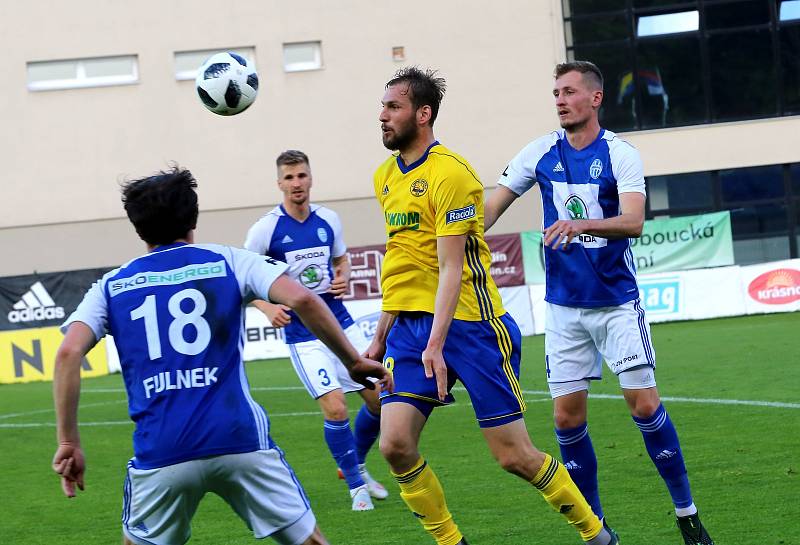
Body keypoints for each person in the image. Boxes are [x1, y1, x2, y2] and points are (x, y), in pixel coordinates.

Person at [51, 167, 393, 545]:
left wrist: (69, 442)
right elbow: (302, 298)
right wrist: (353, 361)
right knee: (309, 541)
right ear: (194, 218)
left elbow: (68, 353)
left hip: (162, 451)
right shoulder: (228, 260)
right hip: (239, 439)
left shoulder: (113, 284)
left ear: (138, 228)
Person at [366, 66, 616, 545]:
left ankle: (597, 535)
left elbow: (452, 268)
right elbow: (401, 265)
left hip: (472, 327)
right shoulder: (384, 177)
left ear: (423, 114)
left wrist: (437, 344)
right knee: (395, 445)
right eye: (382, 106)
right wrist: (380, 336)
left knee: (513, 457)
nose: (382, 116)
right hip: (411, 329)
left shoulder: (452, 174)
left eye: (392, 107)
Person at [484, 60, 714, 545]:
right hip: (564, 309)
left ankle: (686, 513)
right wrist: (450, 237)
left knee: (644, 406)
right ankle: (597, 530)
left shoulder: (620, 155)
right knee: (566, 419)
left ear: (594, 98)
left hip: (615, 303)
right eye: (555, 93)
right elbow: (491, 207)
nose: (560, 100)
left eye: (568, 92)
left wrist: (580, 225)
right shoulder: (539, 151)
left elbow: (633, 221)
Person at [244, 150, 388, 511]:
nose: (297, 184)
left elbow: (341, 258)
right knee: (336, 408)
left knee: (380, 401)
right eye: (289, 178)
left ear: (311, 179)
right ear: (279, 183)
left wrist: (345, 275)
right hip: (301, 334)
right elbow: (243, 279)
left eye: (302, 176)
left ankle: (354, 465)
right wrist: (266, 306)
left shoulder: (329, 219)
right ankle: (357, 488)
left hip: (340, 322)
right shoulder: (266, 230)